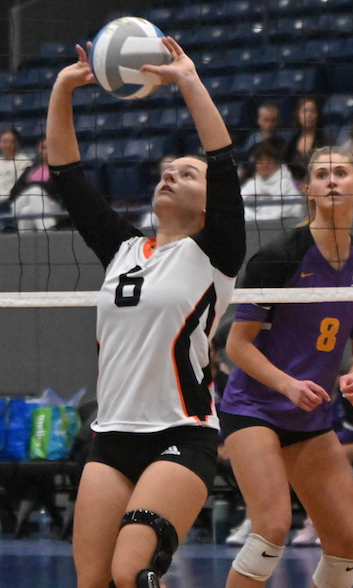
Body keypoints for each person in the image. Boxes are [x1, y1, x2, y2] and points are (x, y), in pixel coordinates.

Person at [46, 38, 245, 588]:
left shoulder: (214, 253)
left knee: (132, 569)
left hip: (182, 431)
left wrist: (188, 80)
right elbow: (67, 174)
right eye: (165, 170)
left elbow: (223, 162)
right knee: (91, 582)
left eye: (186, 173)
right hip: (110, 435)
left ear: (208, 203)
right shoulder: (123, 249)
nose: (169, 175)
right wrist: (64, 88)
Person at [221, 145, 353, 588]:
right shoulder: (278, 257)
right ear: (308, 189)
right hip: (253, 409)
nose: (332, 180)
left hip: (312, 418)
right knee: (272, 529)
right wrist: (289, 385)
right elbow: (236, 347)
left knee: (346, 545)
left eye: (341, 172)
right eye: (321, 174)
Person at [289, 382, 353, 548]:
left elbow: (351, 432)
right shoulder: (310, 389)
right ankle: (316, 522)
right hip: (336, 444)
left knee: (332, 455)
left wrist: (317, 444)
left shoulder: (350, 387)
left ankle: (351, 522)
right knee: (308, 457)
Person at [240, 142, 306, 222]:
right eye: (260, 161)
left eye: (268, 160)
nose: (264, 164)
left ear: (277, 163)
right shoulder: (250, 185)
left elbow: (283, 214)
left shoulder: (286, 185)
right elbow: (241, 210)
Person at [11, 137, 64, 231]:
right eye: (43, 147)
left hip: (52, 206)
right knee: (35, 191)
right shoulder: (30, 169)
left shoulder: (61, 169)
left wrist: (34, 186)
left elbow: (57, 190)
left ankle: (24, 241)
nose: (47, 151)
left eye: (51, 147)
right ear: (38, 150)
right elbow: (14, 192)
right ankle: (48, 230)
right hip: (19, 204)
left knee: (27, 211)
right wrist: (38, 187)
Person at [282, 96, 333, 182]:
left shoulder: (326, 140)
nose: (309, 115)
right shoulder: (290, 143)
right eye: (305, 111)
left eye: (312, 111)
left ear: (318, 115)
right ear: (298, 115)